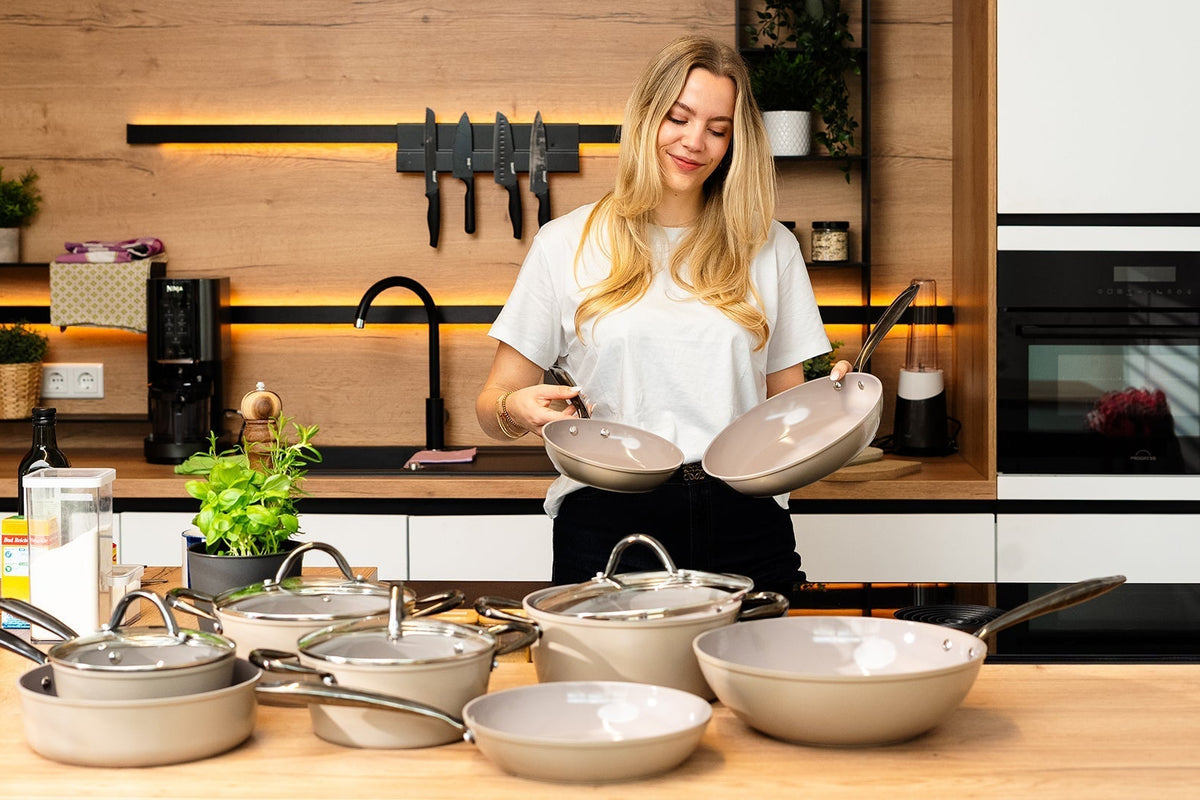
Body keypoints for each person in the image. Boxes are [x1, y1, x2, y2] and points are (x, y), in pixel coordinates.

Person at [475, 34, 852, 595]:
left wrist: (829, 409)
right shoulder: (565, 243)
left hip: (744, 519)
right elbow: (491, 408)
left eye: (717, 129)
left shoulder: (770, 246)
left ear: (734, 142)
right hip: (608, 524)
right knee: (611, 685)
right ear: (647, 114)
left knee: (756, 680)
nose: (695, 141)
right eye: (679, 118)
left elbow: (784, 415)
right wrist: (516, 407)